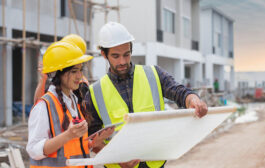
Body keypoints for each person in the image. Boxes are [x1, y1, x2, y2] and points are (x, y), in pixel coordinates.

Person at [85, 22, 208, 168]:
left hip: (154, 163)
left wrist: (193, 99)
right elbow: (92, 140)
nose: (123, 61)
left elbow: (179, 91)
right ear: (104, 54)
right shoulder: (94, 93)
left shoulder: (153, 74)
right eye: (116, 56)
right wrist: (116, 158)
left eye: (127, 54)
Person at [26, 39, 113, 168]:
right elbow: (34, 150)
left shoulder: (74, 101)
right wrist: (68, 135)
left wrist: (94, 142)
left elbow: (73, 148)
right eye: (73, 71)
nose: (79, 76)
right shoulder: (44, 106)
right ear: (57, 74)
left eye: (80, 70)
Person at [34, 34, 90, 104]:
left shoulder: (80, 85)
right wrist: (43, 79)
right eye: (74, 71)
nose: (79, 75)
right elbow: (39, 104)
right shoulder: (59, 83)